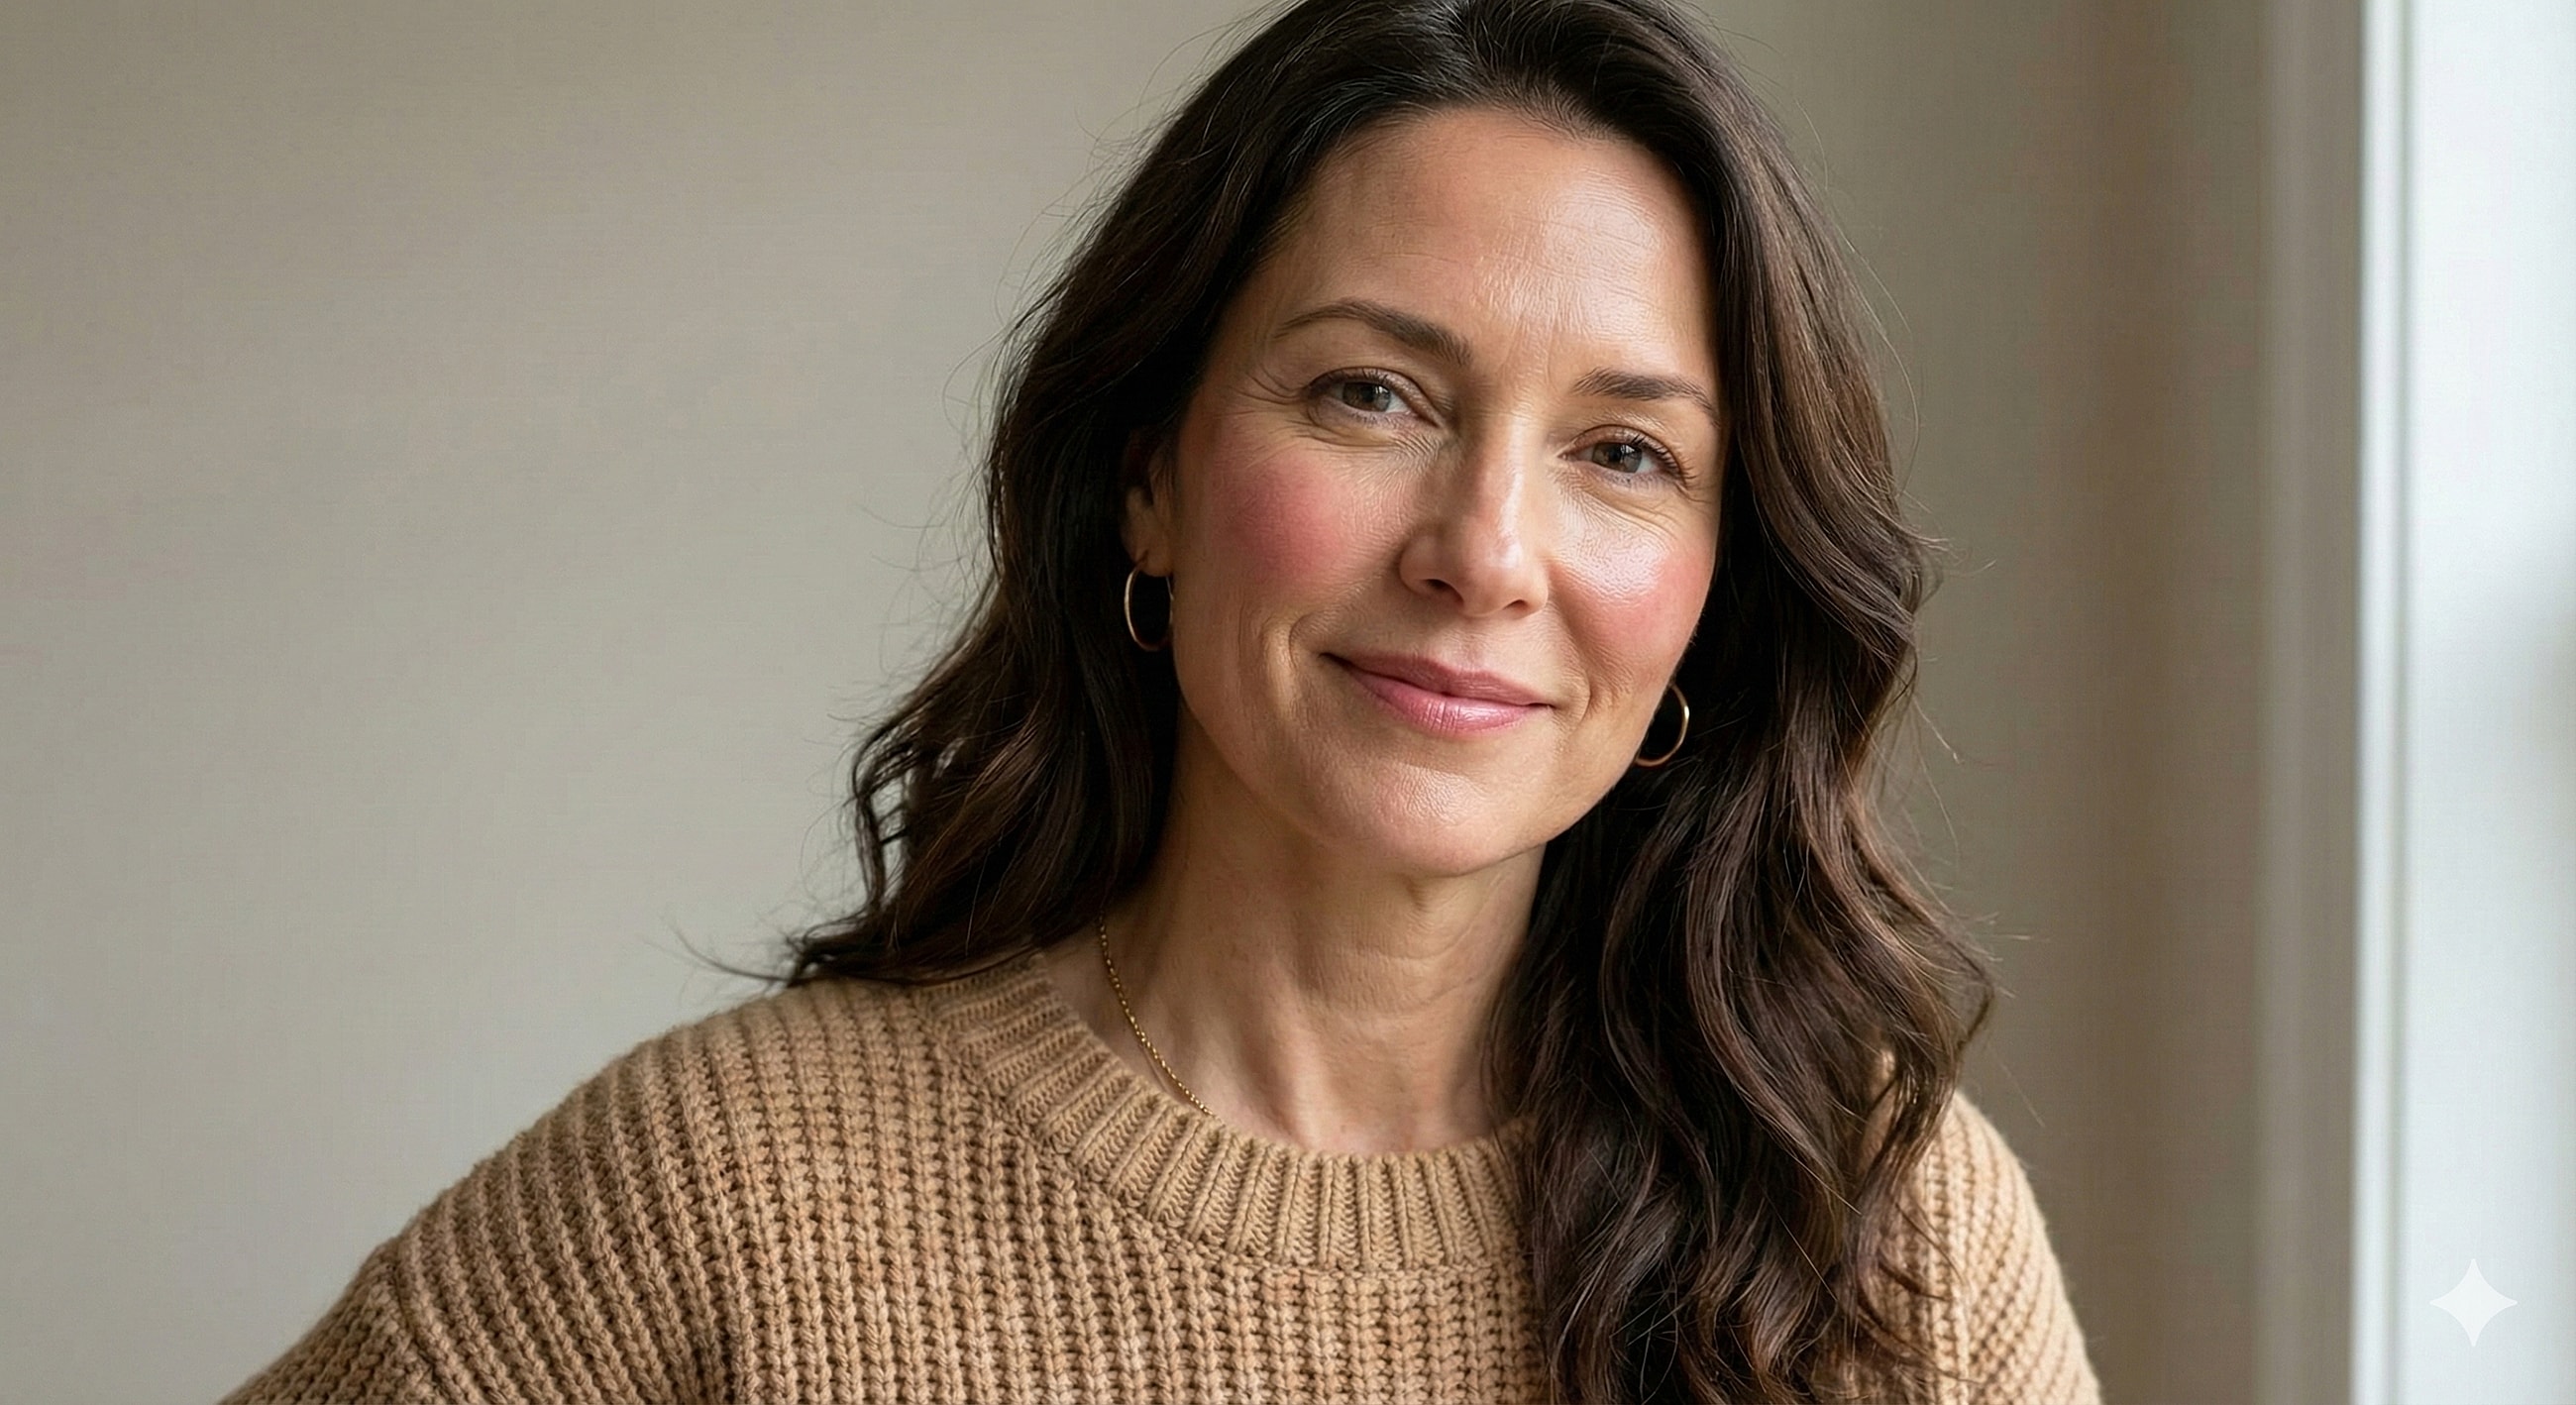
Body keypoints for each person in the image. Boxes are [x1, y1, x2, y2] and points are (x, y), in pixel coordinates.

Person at [225, 0, 2098, 1400]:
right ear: (1150, 476)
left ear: (1711, 591)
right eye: (1373, 394)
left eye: (1624, 452)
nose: (1484, 550)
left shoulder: (1886, 1231)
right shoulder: (722, 1200)